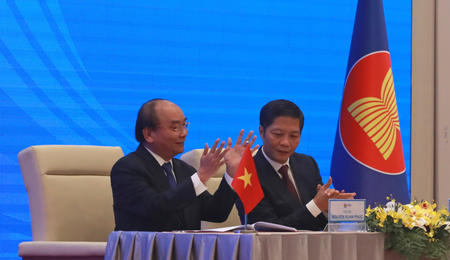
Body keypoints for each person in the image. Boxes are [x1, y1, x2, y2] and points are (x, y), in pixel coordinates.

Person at [111, 98, 256, 231]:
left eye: (185, 125)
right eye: (175, 128)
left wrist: (231, 173)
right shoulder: (127, 168)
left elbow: (216, 213)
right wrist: (202, 176)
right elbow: (155, 209)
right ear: (149, 134)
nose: (184, 133)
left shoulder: (184, 169)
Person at [240, 99, 355, 230]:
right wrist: (316, 205)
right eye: (278, 134)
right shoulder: (246, 174)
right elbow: (265, 229)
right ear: (262, 132)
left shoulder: (308, 164)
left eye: (293, 136)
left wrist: (331, 207)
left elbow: (317, 218)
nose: (285, 142)